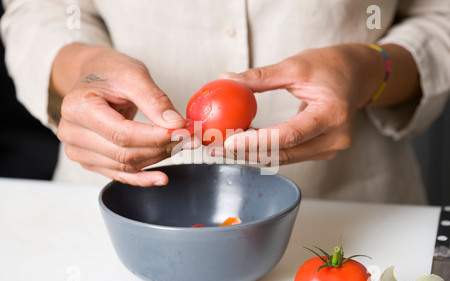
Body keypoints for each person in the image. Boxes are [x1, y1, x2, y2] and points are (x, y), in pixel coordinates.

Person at [1, 0, 449, 204]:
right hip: (110, 207)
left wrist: (372, 69)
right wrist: (85, 67)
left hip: (351, 212)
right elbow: (39, 9)